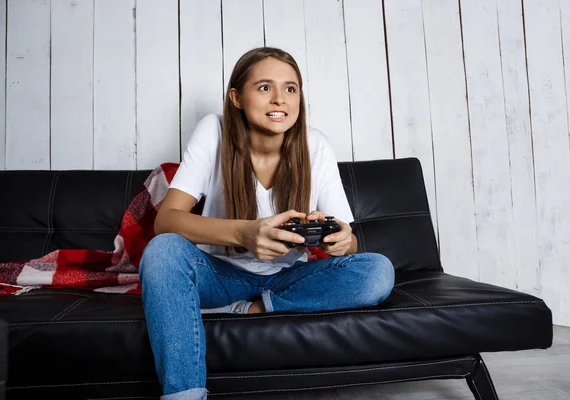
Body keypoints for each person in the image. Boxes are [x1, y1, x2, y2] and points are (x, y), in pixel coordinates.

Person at [139, 47, 395, 400]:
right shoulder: (214, 131)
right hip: (221, 274)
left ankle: (252, 309)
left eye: (290, 89)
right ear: (237, 97)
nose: (280, 99)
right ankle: (185, 396)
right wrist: (244, 233)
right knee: (162, 251)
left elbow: (349, 244)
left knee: (378, 271)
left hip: (288, 280)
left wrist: (337, 239)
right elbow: (166, 222)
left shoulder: (315, 145)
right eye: (264, 88)